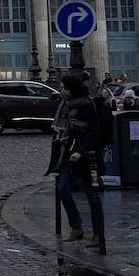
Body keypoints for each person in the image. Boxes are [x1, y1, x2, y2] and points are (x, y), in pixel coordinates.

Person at [50, 74, 106, 248]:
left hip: (88, 157)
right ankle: (76, 226)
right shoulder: (66, 105)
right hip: (69, 154)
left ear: (73, 89)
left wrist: (80, 151)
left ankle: (98, 234)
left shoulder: (87, 106)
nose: (62, 91)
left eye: (64, 88)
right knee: (63, 188)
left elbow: (93, 132)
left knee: (93, 196)